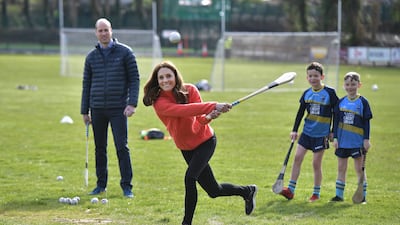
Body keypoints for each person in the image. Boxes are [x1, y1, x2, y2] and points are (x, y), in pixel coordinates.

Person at [143, 61, 257, 225]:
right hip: (186, 147)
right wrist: (213, 105)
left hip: (205, 141)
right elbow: (183, 111)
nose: (165, 80)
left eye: (169, 76)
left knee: (190, 178)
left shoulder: (190, 90)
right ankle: (247, 191)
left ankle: (186, 222)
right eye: (161, 77)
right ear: (157, 80)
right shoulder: (159, 102)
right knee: (214, 191)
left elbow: (201, 119)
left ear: (175, 76)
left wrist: (210, 116)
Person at [80, 18, 140, 198]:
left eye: (106, 30)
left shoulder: (125, 52)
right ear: (96, 32)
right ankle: (101, 185)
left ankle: (126, 186)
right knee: (100, 148)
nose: (103, 33)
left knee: (122, 146)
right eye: (100, 31)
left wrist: (132, 103)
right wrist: (85, 111)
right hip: (97, 108)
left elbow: (135, 79)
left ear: (111, 31)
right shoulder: (91, 57)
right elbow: (86, 84)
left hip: (118, 108)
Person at [280, 62, 338, 202]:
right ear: (307, 78)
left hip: (321, 134)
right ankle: (290, 190)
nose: (313, 78)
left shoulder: (330, 93)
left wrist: (333, 132)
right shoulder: (307, 93)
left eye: (316, 76)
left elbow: (336, 113)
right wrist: (294, 130)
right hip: (307, 133)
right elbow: (300, 113)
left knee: (316, 164)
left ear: (322, 76)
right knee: (297, 158)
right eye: (310, 76)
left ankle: (316, 193)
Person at [330, 72, 373, 203]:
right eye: (347, 84)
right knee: (341, 168)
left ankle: (362, 196)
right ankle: (339, 195)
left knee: (359, 169)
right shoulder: (341, 102)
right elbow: (336, 121)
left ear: (359, 85)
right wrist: (335, 138)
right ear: (344, 86)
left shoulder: (363, 102)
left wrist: (366, 139)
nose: (350, 87)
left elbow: (366, 122)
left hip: (357, 142)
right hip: (342, 142)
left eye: (353, 84)